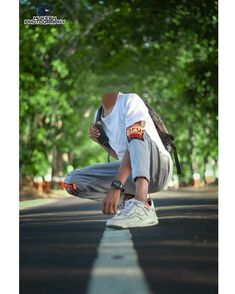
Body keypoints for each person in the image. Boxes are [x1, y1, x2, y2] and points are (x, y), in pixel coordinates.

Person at [64, 92, 173, 228]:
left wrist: (116, 186)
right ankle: (131, 203)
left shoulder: (130, 100)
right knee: (72, 182)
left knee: (135, 131)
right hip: (132, 171)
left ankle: (142, 203)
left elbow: (137, 138)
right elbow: (121, 155)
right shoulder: (98, 115)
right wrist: (101, 142)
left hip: (158, 168)